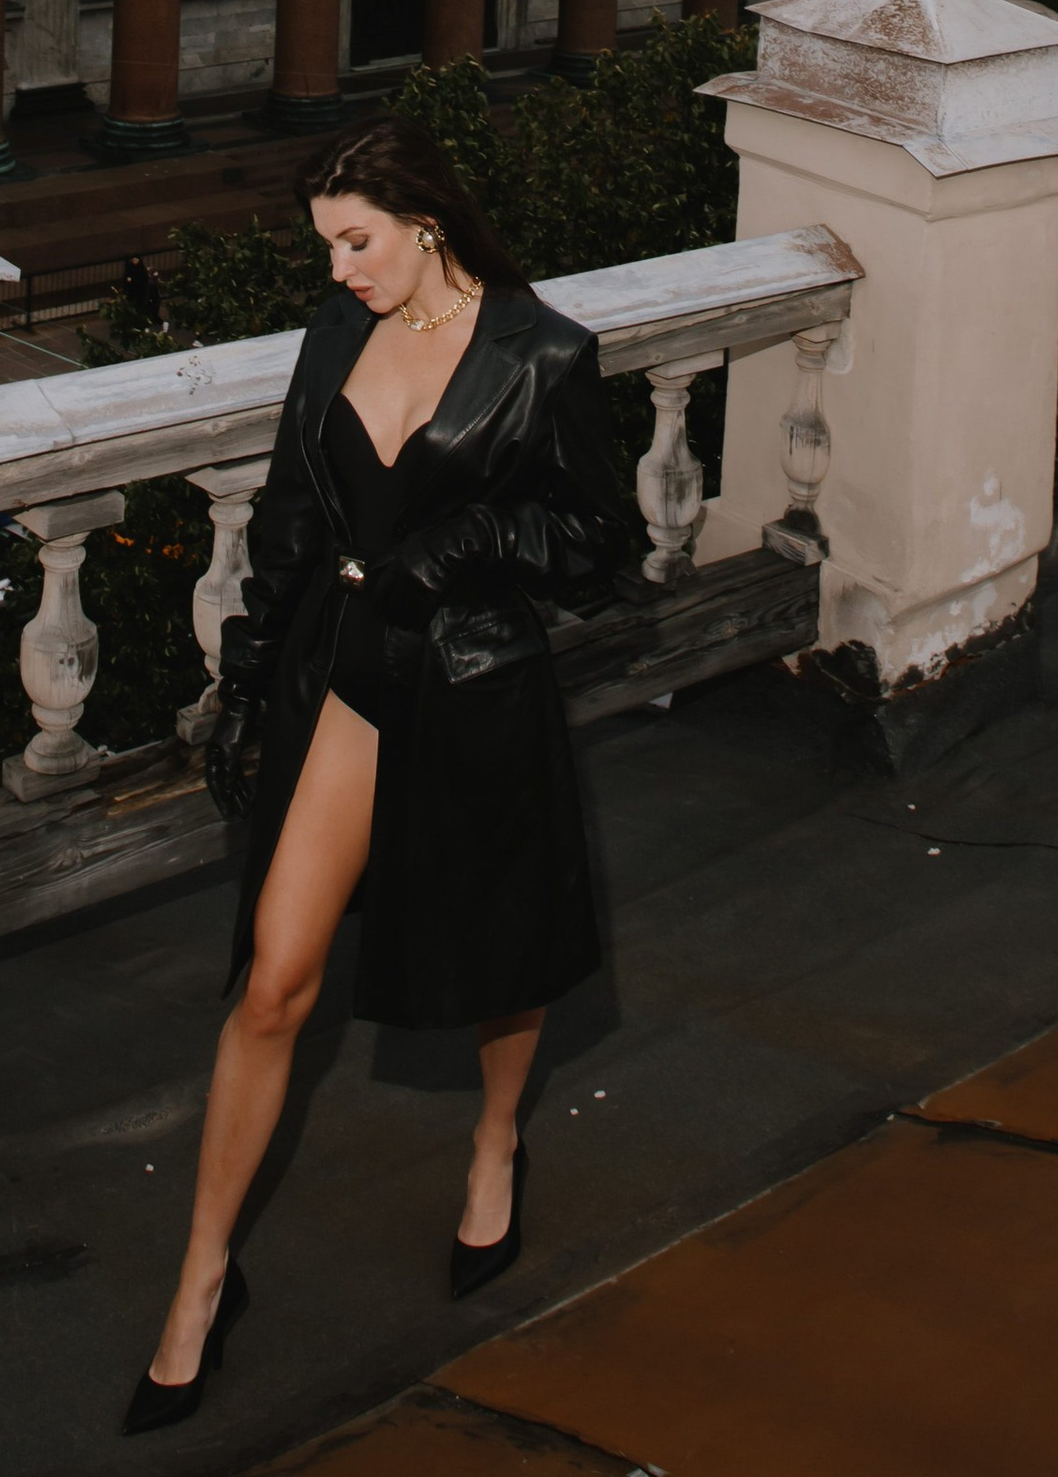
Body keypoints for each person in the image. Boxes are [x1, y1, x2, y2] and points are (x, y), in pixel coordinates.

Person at [126, 124, 634, 1435]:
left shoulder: (546, 355)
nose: (339, 269)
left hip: (467, 681)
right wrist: (244, 677)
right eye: (328, 246)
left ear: (425, 222)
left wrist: (467, 537)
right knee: (273, 983)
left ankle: (495, 1140)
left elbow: (597, 543)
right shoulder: (334, 332)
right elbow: (296, 510)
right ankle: (200, 1281)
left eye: (356, 241)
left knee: (493, 953)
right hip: (339, 674)